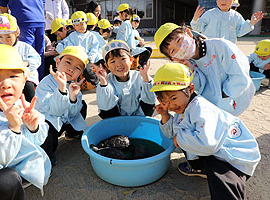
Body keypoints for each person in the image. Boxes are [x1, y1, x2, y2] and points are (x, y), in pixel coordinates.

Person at [151, 63, 260, 200]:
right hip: (213, 149)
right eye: (164, 101)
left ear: (190, 89)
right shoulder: (182, 108)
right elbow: (171, 135)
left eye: (173, 98)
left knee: (222, 181)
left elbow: (207, 144)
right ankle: (200, 167)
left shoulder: (201, 108)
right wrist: (165, 115)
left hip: (234, 156)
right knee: (185, 139)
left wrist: (179, 139)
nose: (171, 105)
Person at [0, 43, 51, 199]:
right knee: (6, 181)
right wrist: (12, 128)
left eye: (13, 76)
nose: (6, 84)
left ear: (24, 80)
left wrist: (33, 127)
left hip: (13, 163)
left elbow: (37, 140)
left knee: (48, 135)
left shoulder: (19, 104)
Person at [154, 22, 255, 116]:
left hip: (236, 98)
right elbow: (199, 86)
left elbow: (239, 73)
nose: (180, 48)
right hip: (216, 106)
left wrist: (225, 94)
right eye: (173, 50)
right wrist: (191, 70)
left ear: (188, 33)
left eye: (179, 40)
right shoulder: (189, 63)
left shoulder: (220, 46)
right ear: (173, 58)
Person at [35, 46, 88, 165]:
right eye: (68, 62)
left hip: (66, 120)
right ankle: (47, 156)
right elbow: (55, 111)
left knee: (82, 105)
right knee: (47, 137)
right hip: (51, 122)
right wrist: (62, 89)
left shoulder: (73, 85)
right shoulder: (46, 83)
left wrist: (73, 97)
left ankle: (72, 133)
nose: (71, 69)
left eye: (77, 68)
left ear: (80, 74)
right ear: (57, 62)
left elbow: (74, 113)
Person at [95, 40, 156, 119]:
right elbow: (105, 107)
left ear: (131, 60)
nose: (119, 64)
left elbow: (151, 100)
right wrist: (104, 84)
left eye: (123, 59)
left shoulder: (139, 76)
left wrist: (146, 79)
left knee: (150, 103)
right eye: (113, 61)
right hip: (115, 119)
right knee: (105, 107)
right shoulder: (107, 80)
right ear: (107, 66)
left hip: (139, 116)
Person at [0, 13, 41, 102]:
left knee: (28, 89)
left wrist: (26, 63)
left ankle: (31, 107)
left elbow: (37, 59)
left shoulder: (24, 47)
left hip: (25, 77)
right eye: (0, 37)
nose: (4, 40)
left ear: (17, 33)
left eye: (8, 37)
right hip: (5, 77)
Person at [0, 0, 46, 80]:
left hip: (22, 19)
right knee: (38, 54)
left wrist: (7, 22)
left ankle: (28, 82)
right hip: (39, 18)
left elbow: (3, 7)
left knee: (25, 54)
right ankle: (38, 83)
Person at [56, 11, 99, 85]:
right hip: (74, 58)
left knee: (88, 71)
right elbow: (65, 45)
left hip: (86, 59)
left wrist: (90, 58)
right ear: (74, 26)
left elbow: (94, 48)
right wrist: (58, 46)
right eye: (77, 25)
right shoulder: (72, 36)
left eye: (82, 24)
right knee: (66, 68)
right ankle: (67, 84)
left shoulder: (92, 36)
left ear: (86, 23)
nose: (80, 27)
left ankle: (97, 82)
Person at [191, 0, 264, 44]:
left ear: (232, 1)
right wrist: (195, 19)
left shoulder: (236, 16)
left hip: (228, 48)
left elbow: (239, 31)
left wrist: (251, 23)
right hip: (210, 46)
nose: (223, 1)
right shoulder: (209, 14)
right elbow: (198, 28)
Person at [116, 3, 152, 69]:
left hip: (129, 48)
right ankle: (140, 66)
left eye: (119, 14)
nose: (119, 16)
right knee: (147, 51)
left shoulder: (126, 24)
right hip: (129, 49)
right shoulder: (127, 24)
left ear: (123, 13)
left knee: (148, 50)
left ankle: (139, 65)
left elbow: (124, 39)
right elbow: (123, 39)